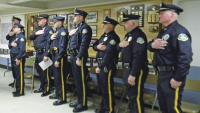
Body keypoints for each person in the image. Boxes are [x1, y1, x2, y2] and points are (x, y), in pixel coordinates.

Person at [148, 3, 193, 113]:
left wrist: (178, 78)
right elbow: (151, 45)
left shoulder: (180, 32)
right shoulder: (164, 31)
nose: (159, 15)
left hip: (172, 75)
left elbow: (185, 58)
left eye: (162, 13)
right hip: (162, 74)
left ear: (172, 14)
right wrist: (152, 45)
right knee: (163, 107)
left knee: (173, 108)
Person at [119, 14, 148, 113]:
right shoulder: (128, 35)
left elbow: (138, 57)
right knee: (131, 95)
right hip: (128, 68)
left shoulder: (139, 36)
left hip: (135, 70)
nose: (124, 25)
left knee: (135, 96)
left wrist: (133, 74)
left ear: (132, 23)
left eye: (126, 23)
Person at [93, 16, 120, 113]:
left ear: (111, 26)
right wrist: (98, 47)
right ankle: (104, 107)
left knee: (107, 88)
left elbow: (109, 54)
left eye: (105, 24)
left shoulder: (114, 38)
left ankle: (109, 109)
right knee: (102, 88)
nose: (103, 26)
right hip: (100, 65)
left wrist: (100, 66)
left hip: (107, 66)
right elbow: (94, 45)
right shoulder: (104, 36)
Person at [67, 8, 92, 112]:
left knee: (81, 81)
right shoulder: (77, 28)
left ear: (81, 17)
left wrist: (79, 57)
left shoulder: (85, 28)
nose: (74, 18)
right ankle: (79, 100)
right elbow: (71, 42)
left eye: (75, 16)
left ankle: (83, 104)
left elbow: (84, 45)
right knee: (77, 81)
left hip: (78, 57)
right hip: (73, 56)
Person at [44, 16, 68, 106]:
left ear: (60, 22)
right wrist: (50, 38)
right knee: (56, 78)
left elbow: (62, 47)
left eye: (55, 22)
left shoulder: (63, 32)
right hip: (54, 56)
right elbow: (51, 44)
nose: (53, 23)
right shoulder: (56, 32)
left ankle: (62, 98)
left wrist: (58, 59)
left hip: (59, 57)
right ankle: (58, 94)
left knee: (60, 78)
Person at [29, 14, 53, 97]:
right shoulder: (38, 29)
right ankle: (42, 87)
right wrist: (36, 34)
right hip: (38, 53)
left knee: (45, 72)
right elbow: (30, 37)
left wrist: (46, 54)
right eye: (38, 20)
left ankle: (47, 89)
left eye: (40, 20)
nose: (38, 21)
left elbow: (49, 43)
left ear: (45, 20)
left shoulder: (49, 29)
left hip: (44, 54)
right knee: (39, 71)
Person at [10, 23, 26, 97]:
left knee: (19, 75)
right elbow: (11, 45)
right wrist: (12, 44)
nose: (14, 29)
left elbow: (22, 50)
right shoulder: (16, 37)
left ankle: (20, 91)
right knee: (17, 75)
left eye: (15, 27)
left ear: (19, 29)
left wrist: (18, 58)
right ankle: (17, 90)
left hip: (18, 58)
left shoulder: (21, 37)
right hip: (14, 57)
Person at [6, 16, 22, 88]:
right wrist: (12, 32)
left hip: (17, 52)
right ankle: (15, 81)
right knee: (13, 68)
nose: (13, 22)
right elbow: (7, 37)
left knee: (18, 69)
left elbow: (20, 42)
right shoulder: (12, 29)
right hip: (12, 51)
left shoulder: (21, 30)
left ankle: (19, 84)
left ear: (18, 22)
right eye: (13, 21)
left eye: (14, 21)